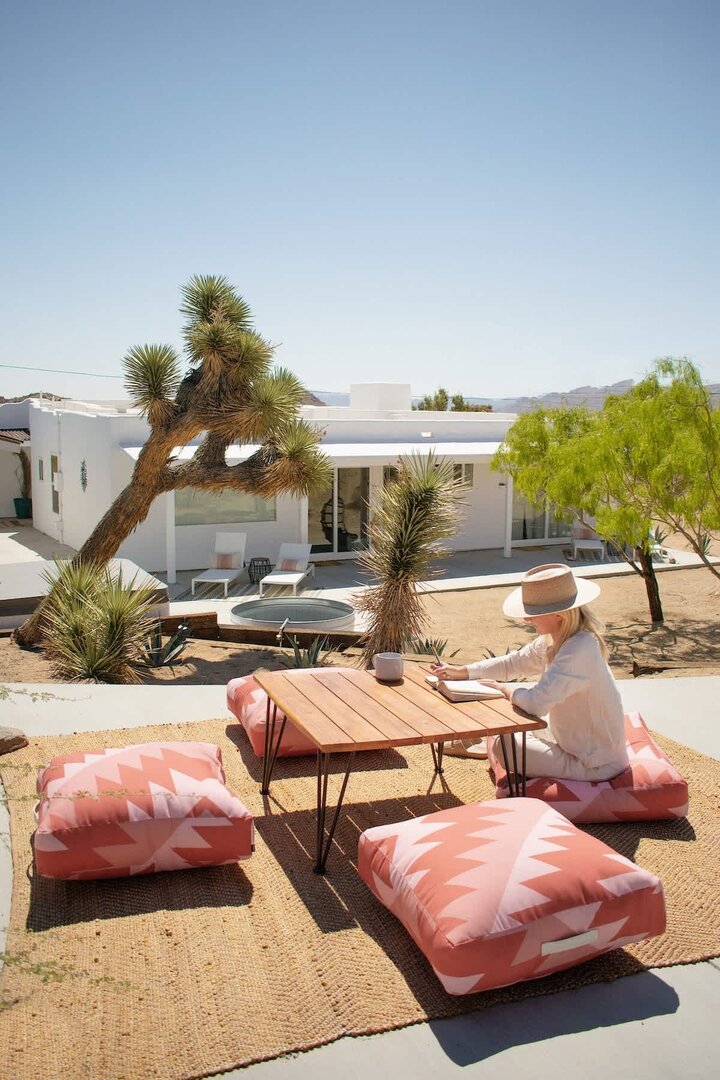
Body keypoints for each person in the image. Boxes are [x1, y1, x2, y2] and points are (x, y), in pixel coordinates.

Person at [431, 563, 628, 781]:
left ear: (559, 615)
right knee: (504, 729)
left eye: (533, 613)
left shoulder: (579, 649)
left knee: (504, 745)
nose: (526, 619)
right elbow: (513, 663)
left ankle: (489, 749)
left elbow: (536, 703)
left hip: (594, 763)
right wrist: (462, 672)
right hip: (571, 741)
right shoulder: (555, 641)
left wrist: (506, 690)